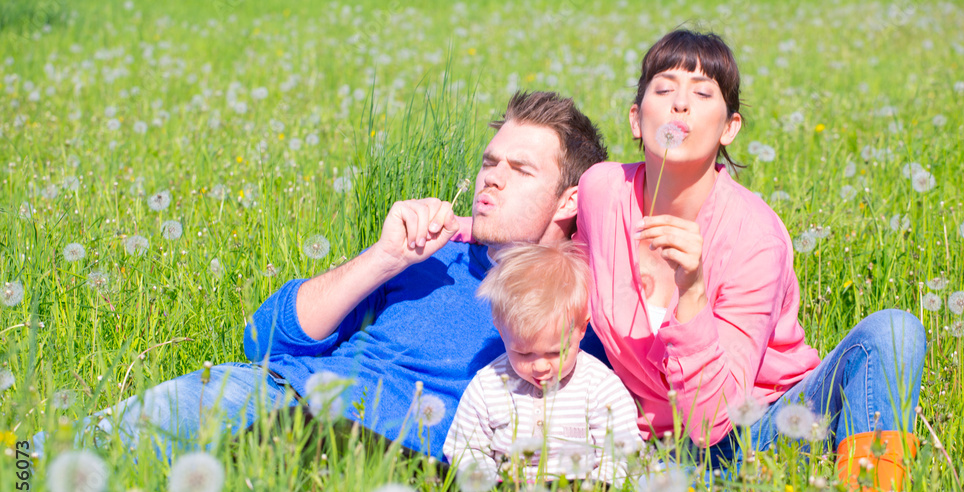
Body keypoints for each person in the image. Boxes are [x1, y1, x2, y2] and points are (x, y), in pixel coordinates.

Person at [34, 91, 608, 462]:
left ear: (568, 201)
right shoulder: (429, 254)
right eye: (489, 163)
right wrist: (385, 258)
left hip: (368, 449)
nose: (492, 179)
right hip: (269, 392)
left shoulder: (581, 301)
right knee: (43, 468)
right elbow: (265, 340)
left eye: (520, 169)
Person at [574, 30, 925, 492]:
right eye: (663, 89)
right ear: (636, 118)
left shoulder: (755, 235)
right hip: (641, 447)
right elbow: (546, 257)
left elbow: (712, 421)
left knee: (895, 332)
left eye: (701, 94)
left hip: (758, 434)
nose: (679, 106)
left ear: (729, 128)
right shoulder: (600, 191)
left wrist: (692, 292)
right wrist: (452, 225)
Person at [443, 241, 641, 487]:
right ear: (501, 332)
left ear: (582, 328)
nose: (540, 367)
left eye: (555, 352)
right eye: (524, 354)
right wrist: (489, 486)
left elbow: (622, 454)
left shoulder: (600, 388)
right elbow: (465, 447)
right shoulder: (489, 385)